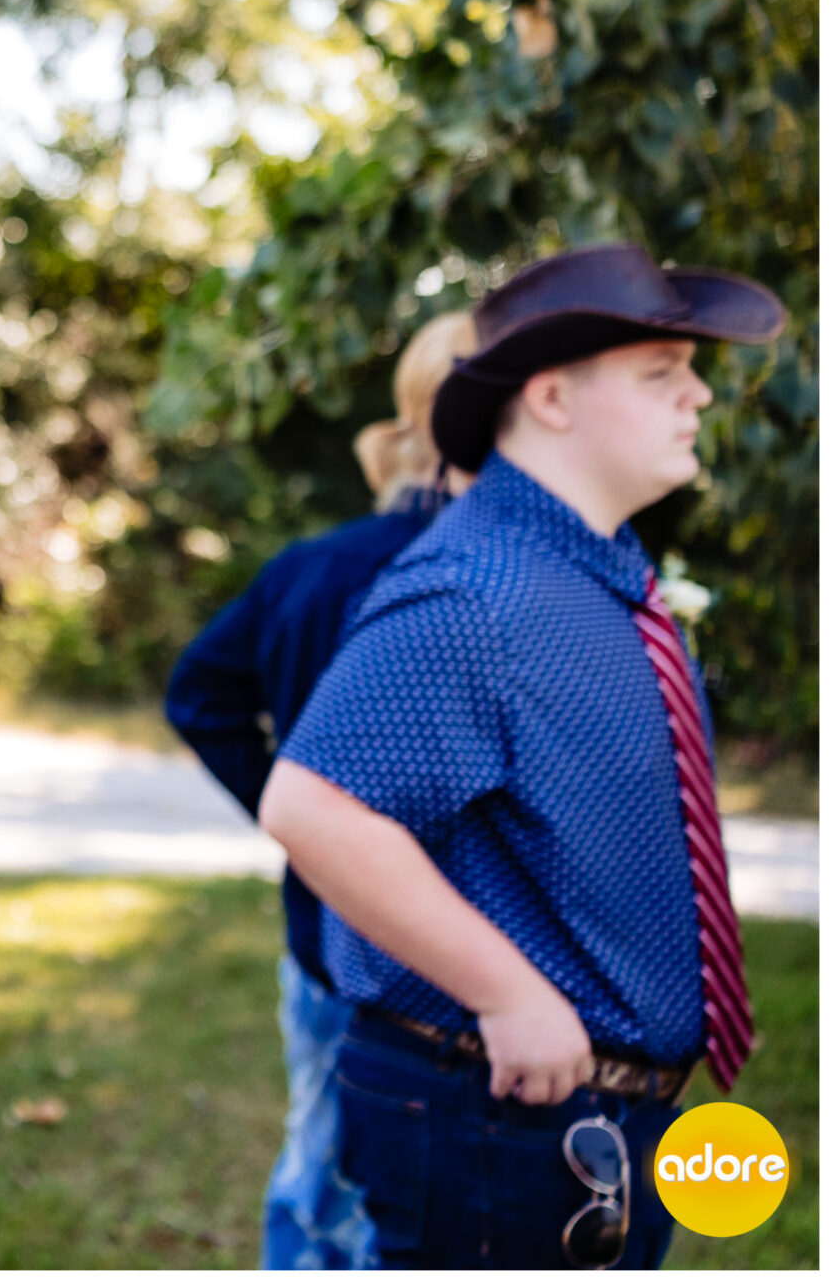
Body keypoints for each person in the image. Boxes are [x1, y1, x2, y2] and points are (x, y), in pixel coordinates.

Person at [260, 241, 785, 1269]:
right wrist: (506, 990)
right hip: (499, 1123)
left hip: (596, 1121)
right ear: (551, 397)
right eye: (659, 372)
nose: (698, 395)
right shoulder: (477, 590)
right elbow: (311, 806)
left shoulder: (595, 572)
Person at [164, 309, 476, 1270]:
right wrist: (295, 810)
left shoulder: (313, 566)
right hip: (446, 947)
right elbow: (200, 695)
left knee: (322, 1168)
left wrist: (293, 816)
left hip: (326, 932)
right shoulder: (467, 576)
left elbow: (198, 694)